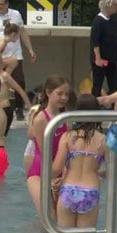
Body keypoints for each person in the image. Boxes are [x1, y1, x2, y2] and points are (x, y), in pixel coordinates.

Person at [52, 94, 106, 228]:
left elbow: (56, 169)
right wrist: (97, 172)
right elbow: (110, 172)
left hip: (68, 190)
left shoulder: (67, 137)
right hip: (90, 192)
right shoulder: (103, 140)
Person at [26, 75, 73, 216]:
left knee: (60, 218)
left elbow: (69, 153)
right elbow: (44, 152)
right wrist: (52, 179)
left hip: (60, 172)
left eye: (66, 94)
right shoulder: (40, 119)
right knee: (49, 216)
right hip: (39, 173)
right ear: (48, 92)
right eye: (60, 93)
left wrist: (64, 176)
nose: (64, 98)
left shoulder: (66, 120)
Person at [90, 0, 117, 99]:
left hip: (112, 58)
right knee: (97, 84)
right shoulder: (98, 21)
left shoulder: (113, 21)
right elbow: (95, 41)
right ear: (108, 6)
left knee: (114, 85)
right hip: (101, 59)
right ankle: (93, 107)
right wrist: (98, 58)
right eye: (114, 5)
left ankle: (114, 107)